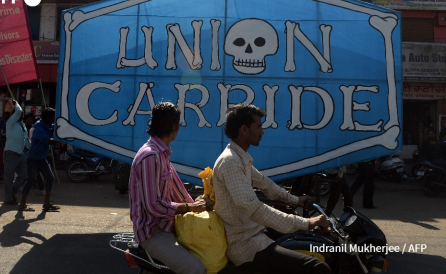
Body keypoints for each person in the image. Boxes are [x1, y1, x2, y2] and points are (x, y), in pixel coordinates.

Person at [213, 104, 331, 274]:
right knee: (319, 268)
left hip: (256, 232)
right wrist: (305, 223)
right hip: (246, 244)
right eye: (259, 127)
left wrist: (296, 200)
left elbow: (265, 184)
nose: (262, 132)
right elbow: (254, 209)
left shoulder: (240, 158)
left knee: (316, 244)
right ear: (244, 130)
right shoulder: (231, 161)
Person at [129, 102, 207, 274]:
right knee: (196, 269)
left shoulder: (162, 153)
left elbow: (177, 190)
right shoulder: (150, 156)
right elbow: (154, 205)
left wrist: (200, 204)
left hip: (168, 225)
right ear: (175, 126)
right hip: (153, 232)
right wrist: (190, 207)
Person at [18, 107, 59, 212]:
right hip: (33, 159)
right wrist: (60, 139)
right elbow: (47, 140)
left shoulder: (48, 125)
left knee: (50, 178)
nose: (54, 119)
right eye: (53, 117)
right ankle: (22, 204)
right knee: (31, 180)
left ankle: (46, 204)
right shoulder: (39, 128)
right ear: (48, 118)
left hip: (41, 158)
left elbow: (56, 126)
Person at [3, 100, 29, 206]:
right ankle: (8, 199)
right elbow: (18, 112)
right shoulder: (11, 122)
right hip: (10, 153)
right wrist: (16, 103)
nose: (22, 115)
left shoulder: (22, 126)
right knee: (9, 178)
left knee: (23, 175)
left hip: (21, 154)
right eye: (21, 114)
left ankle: (11, 194)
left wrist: (33, 149)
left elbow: (26, 141)